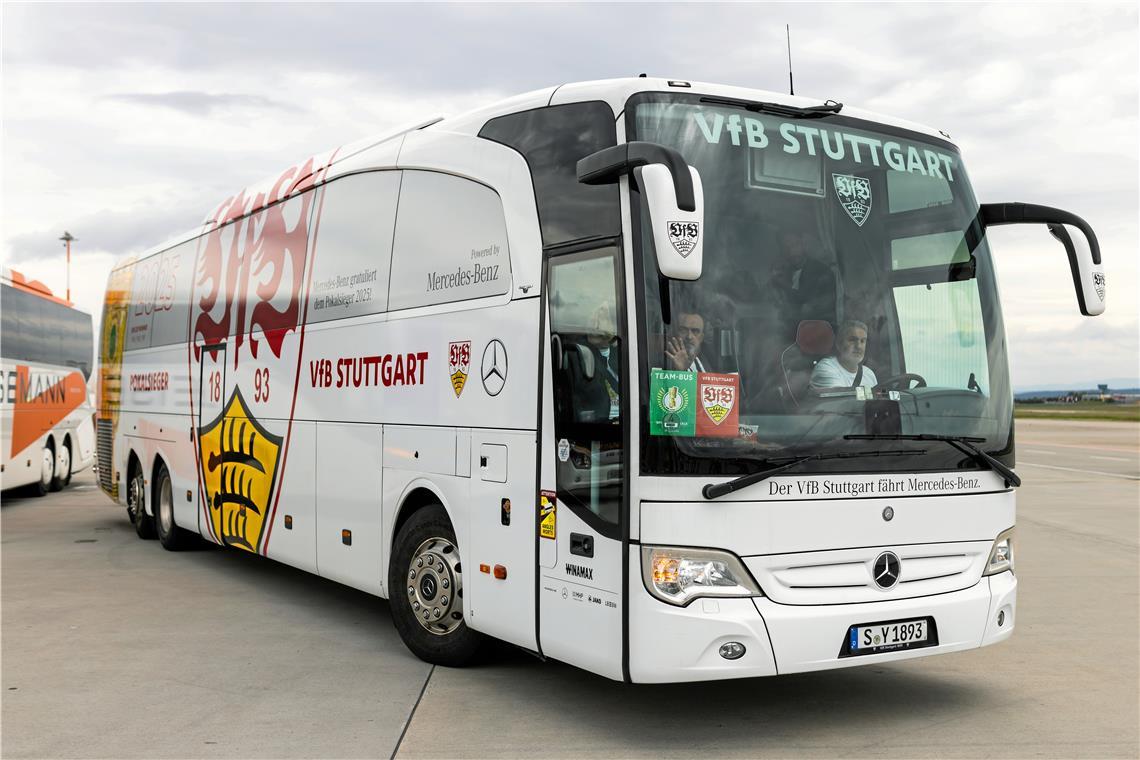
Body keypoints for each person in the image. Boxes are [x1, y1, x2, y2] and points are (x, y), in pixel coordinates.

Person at [810, 319, 878, 390]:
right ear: (839, 344)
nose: (859, 346)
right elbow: (842, 400)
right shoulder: (826, 368)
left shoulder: (869, 374)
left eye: (862, 341)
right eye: (852, 340)